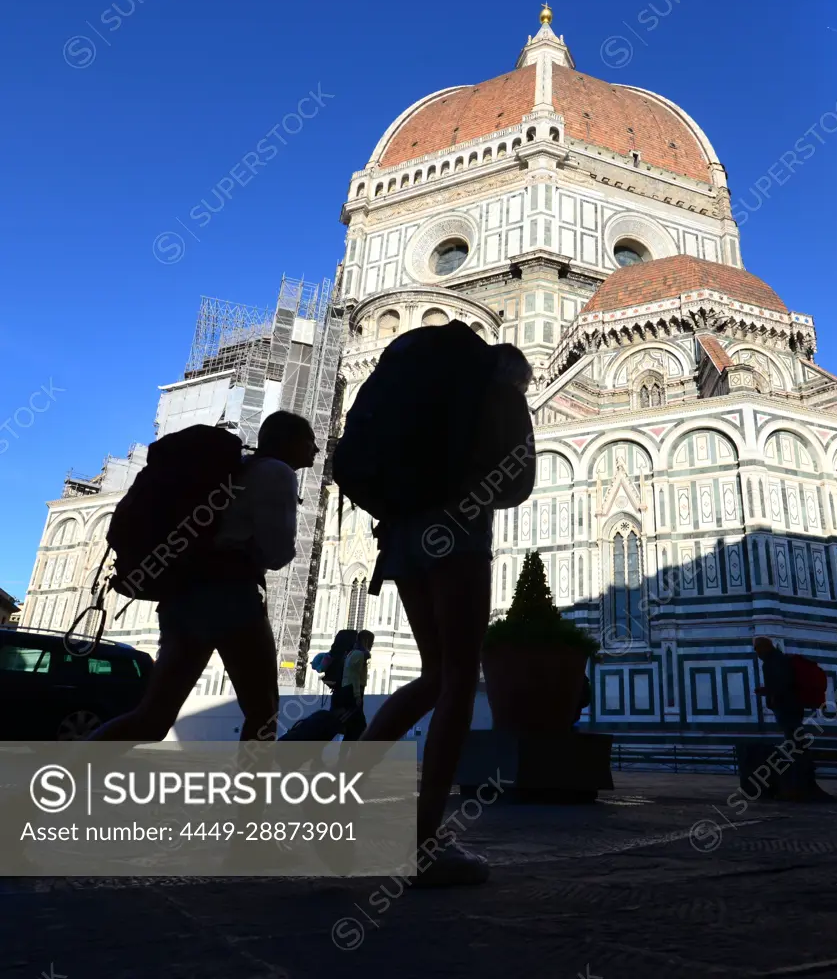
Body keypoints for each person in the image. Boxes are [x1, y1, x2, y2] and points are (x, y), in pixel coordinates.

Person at [359, 345, 536, 887]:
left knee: (434, 674)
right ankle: (422, 842)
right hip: (457, 534)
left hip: (400, 533)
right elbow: (518, 482)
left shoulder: (420, 387)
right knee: (459, 678)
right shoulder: (499, 389)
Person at [88, 411, 318, 743]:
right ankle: (252, 794)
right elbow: (277, 554)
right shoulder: (276, 473)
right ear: (290, 441)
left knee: (153, 719)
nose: (316, 449)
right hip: (232, 598)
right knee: (262, 713)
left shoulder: (242, 470)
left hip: (184, 596)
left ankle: (61, 776)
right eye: (310, 440)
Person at [753, 637, 815, 790]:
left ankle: (801, 775)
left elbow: (782, 684)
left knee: (793, 736)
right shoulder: (778, 659)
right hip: (791, 705)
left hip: (787, 706)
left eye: (757, 648)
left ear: (764, 647)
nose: (756, 652)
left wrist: (771, 694)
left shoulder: (774, 661)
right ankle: (800, 772)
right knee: (793, 736)